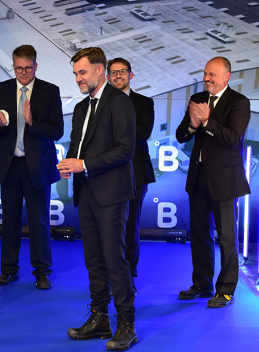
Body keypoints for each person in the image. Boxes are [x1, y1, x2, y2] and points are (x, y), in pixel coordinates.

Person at [58, 47, 138, 351]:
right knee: (93, 259)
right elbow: (80, 146)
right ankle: (100, 318)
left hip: (113, 193)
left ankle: (127, 324)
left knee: (115, 259)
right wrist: (71, 163)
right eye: (76, 73)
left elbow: (125, 150)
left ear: (100, 70)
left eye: (82, 72)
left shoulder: (120, 103)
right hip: (87, 191)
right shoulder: (81, 108)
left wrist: (85, 165)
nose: (78, 78)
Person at [0, 45, 64, 290]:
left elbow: (57, 131)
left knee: (39, 222)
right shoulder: (0, 89)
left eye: (28, 68)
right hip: (10, 166)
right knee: (10, 220)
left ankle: (41, 272)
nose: (23, 72)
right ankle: (8, 270)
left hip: (37, 166)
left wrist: (32, 122)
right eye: (19, 68)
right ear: (13, 65)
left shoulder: (50, 91)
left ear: (36, 66)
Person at [175, 57, 251, 308]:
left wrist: (207, 121)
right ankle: (202, 284)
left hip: (225, 181)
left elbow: (232, 138)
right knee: (199, 235)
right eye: (205, 73)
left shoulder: (239, 102)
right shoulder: (197, 98)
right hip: (198, 178)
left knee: (227, 238)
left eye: (213, 75)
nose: (207, 78)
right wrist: (193, 126)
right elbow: (180, 134)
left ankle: (226, 290)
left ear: (227, 76)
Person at [106, 58, 155, 295]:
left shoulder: (144, 102)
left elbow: (143, 133)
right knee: (109, 228)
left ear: (131, 75)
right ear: (107, 77)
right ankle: (108, 276)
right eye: (113, 73)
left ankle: (128, 277)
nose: (118, 77)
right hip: (106, 173)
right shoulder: (101, 102)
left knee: (131, 228)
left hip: (136, 173)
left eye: (122, 72)